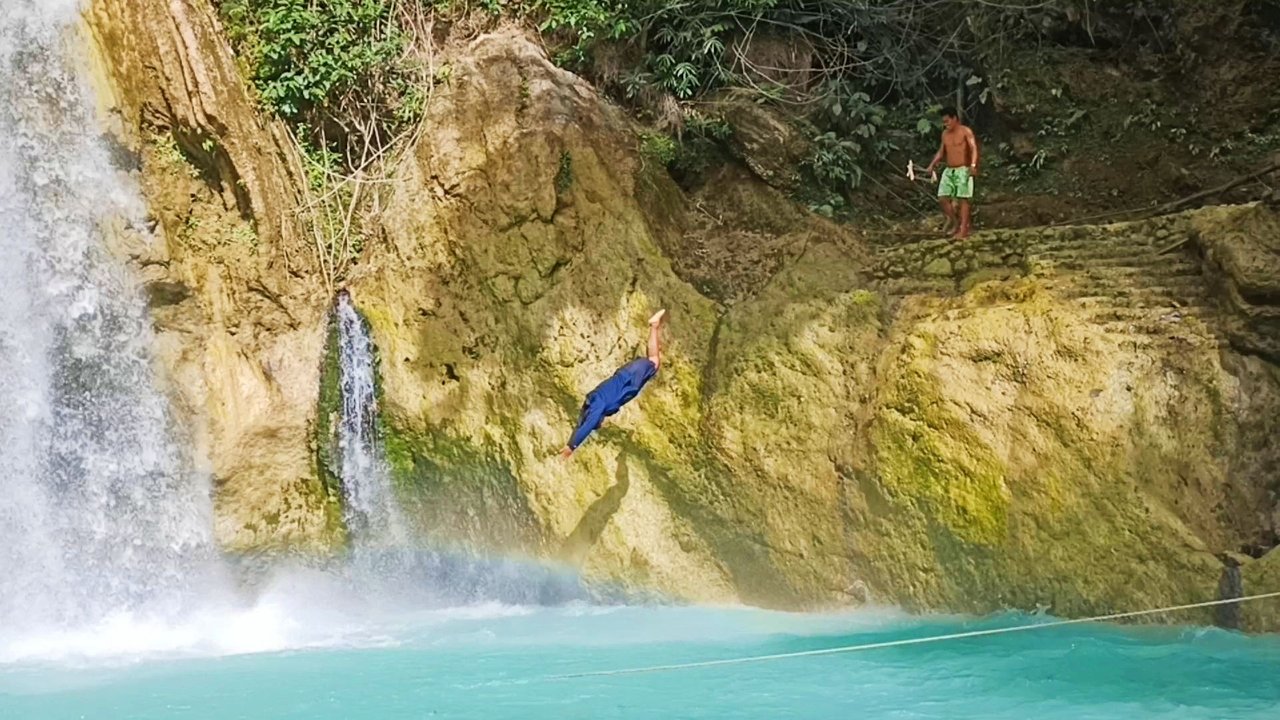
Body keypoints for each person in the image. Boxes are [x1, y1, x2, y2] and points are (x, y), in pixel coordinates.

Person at [560, 309, 667, 459]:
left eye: (600, 422)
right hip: (627, 376)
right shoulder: (595, 401)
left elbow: (587, 425)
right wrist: (572, 438)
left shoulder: (598, 406)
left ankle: (654, 325)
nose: (602, 422)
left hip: (629, 377)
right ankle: (654, 326)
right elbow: (582, 423)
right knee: (653, 360)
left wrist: (572, 446)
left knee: (654, 360)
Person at [925, 106, 980, 239]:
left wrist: (973, 165)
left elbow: (973, 148)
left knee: (963, 200)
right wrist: (932, 165)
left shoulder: (965, 131)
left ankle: (963, 230)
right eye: (943, 122)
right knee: (942, 198)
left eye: (947, 121)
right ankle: (955, 223)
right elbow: (941, 151)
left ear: (955, 118)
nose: (946, 124)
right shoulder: (945, 134)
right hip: (949, 170)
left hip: (963, 169)